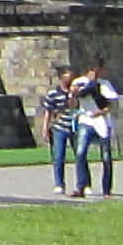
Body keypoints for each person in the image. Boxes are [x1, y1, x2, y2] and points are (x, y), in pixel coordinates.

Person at [70, 60, 119, 199]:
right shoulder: (79, 82)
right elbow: (73, 103)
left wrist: (102, 112)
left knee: (106, 156)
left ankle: (106, 190)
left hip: (102, 121)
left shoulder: (105, 84)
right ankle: (81, 186)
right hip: (86, 120)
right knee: (80, 153)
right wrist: (73, 93)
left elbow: (112, 104)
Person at [39, 66, 79, 195]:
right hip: (59, 127)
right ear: (61, 77)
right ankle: (59, 184)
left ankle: (83, 184)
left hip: (75, 126)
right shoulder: (53, 93)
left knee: (80, 155)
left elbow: (77, 106)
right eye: (68, 76)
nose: (70, 79)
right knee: (59, 156)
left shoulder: (78, 91)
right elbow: (48, 112)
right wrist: (45, 128)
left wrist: (73, 94)